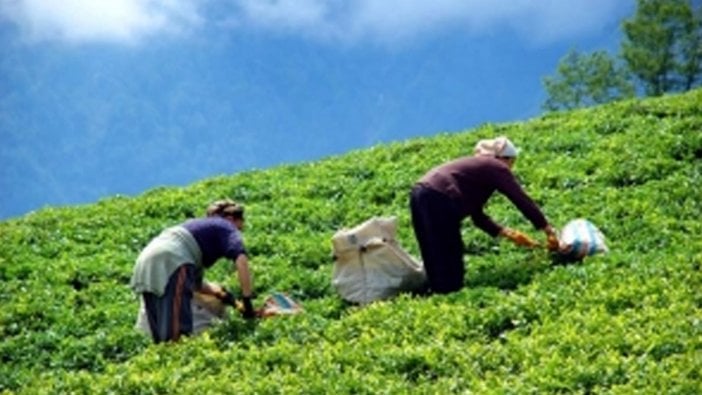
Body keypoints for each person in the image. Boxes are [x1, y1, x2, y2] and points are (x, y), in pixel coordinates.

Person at [409, 136, 559, 294]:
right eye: (512, 162)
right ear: (504, 158)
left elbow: (477, 216)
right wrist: (546, 227)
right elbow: (520, 198)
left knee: (431, 245)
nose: (511, 168)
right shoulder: (496, 167)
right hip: (440, 196)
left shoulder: (479, 169)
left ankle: (438, 289)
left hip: (419, 193)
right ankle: (451, 292)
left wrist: (508, 234)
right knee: (450, 247)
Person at [130, 199, 256, 343]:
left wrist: (225, 296)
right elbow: (241, 260)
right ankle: (177, 356)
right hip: (173, 259)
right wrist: (248, 302)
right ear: (231, 219)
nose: (238, 233)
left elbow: (196, 285)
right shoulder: (226, 225)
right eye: (239, 228)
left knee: (160, 328)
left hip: (146, 260)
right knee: (177, 330)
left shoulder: (195, 233)